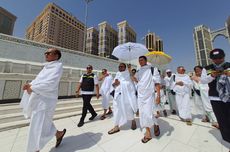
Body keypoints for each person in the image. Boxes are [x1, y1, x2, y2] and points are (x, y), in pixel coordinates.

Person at [20, 48, 66, 152]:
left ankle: (35, 149)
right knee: (43, 121)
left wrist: (32, 88)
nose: (46, 54)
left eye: (49, 53)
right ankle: (59, 134)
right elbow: (38, 80)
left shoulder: (57, 66)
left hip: (46, 100)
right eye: (45, 52)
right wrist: (30, 84)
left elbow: (51, 83)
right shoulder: (46, 67)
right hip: (38, 98)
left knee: (38, 124)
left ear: (56, 56)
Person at [201, 48, 230, 144]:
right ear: (211, 59)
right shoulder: (207, 68)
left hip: (228, 97)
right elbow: (203, 81)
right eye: (215, 58)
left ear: (223, 57)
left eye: (220, 58)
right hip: (215, 97)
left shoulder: (228, 66)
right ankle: (227, 139)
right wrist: (211, 76)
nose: (217, 60)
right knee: (222, 120)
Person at [132, 56, 161, 143]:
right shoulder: (139, 71)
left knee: (148, 114)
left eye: (142, 60)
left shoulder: (152, 69)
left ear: (145, 60)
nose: (140, 62)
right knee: (143, 114)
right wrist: (130, 71)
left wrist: (158, 96)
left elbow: (157, 83)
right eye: (139, 60)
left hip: (149, 95)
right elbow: (136, 80)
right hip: (140, 96)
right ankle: (148, 133)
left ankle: (155, 124)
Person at [108, 63, 138, 134]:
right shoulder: (118, 74)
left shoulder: (128, 73)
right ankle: (116, 126)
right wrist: (115, 84)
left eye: (121, 66)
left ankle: (133, 121)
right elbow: (113, 85)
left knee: (128, 109)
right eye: (119, 66)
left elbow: (133, 80)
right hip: (118, 96)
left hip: (127, 96)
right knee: (117, 110)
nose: (120, 68)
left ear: (125, 68)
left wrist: (130, 69)